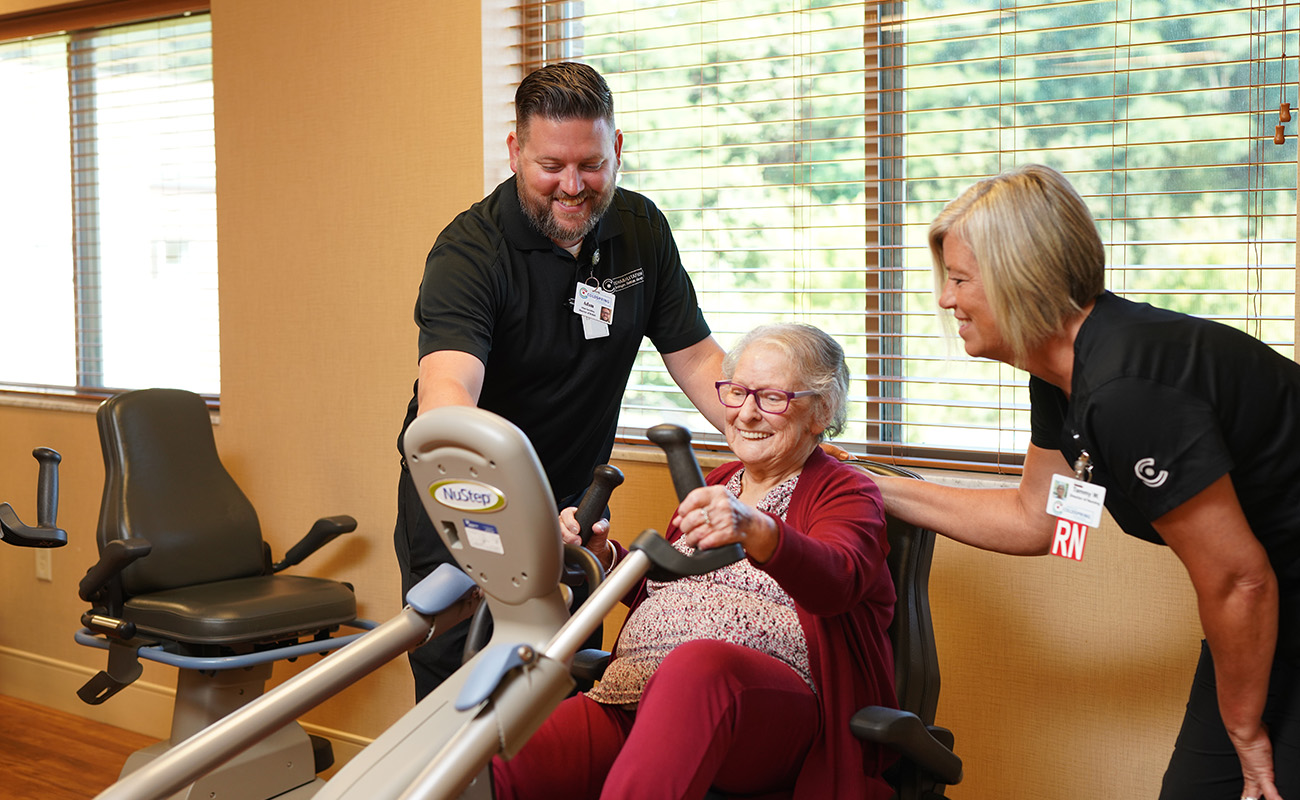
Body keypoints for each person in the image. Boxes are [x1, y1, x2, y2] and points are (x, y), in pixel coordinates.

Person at [873, 163, 1300, 800]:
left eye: (959, 278)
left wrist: (1244, 728)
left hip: (1265, 594)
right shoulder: (1059, 375)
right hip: (1269, 600)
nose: (945, 299)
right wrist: (867, 485)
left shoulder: (1126, 389)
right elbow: (1039, 522)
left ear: (1021, 278)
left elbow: (1239, 578)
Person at [394, 62, 727, 700]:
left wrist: (774, 435)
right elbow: (447, 402)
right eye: (552, 166)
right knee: (464, 702)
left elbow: (698, 359)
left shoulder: (640, 230)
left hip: (579, 508)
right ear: (516, 151)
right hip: (469, 503)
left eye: (591, 164)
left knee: (569, 687)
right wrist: (521, 515)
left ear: (617, 149)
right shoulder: (470, 253)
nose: (572, 187)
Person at [491, 323, 899, 800]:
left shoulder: (844, 491)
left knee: (698, 666)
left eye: (771, 398)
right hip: (639, 690)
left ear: (822, 410)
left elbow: (839, 579)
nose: (746, 413)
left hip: (769, 715)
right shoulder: (719, 481)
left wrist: (756, 528)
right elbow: (669, 588)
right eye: (737, 393)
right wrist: (607, 555)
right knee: (501, 761)